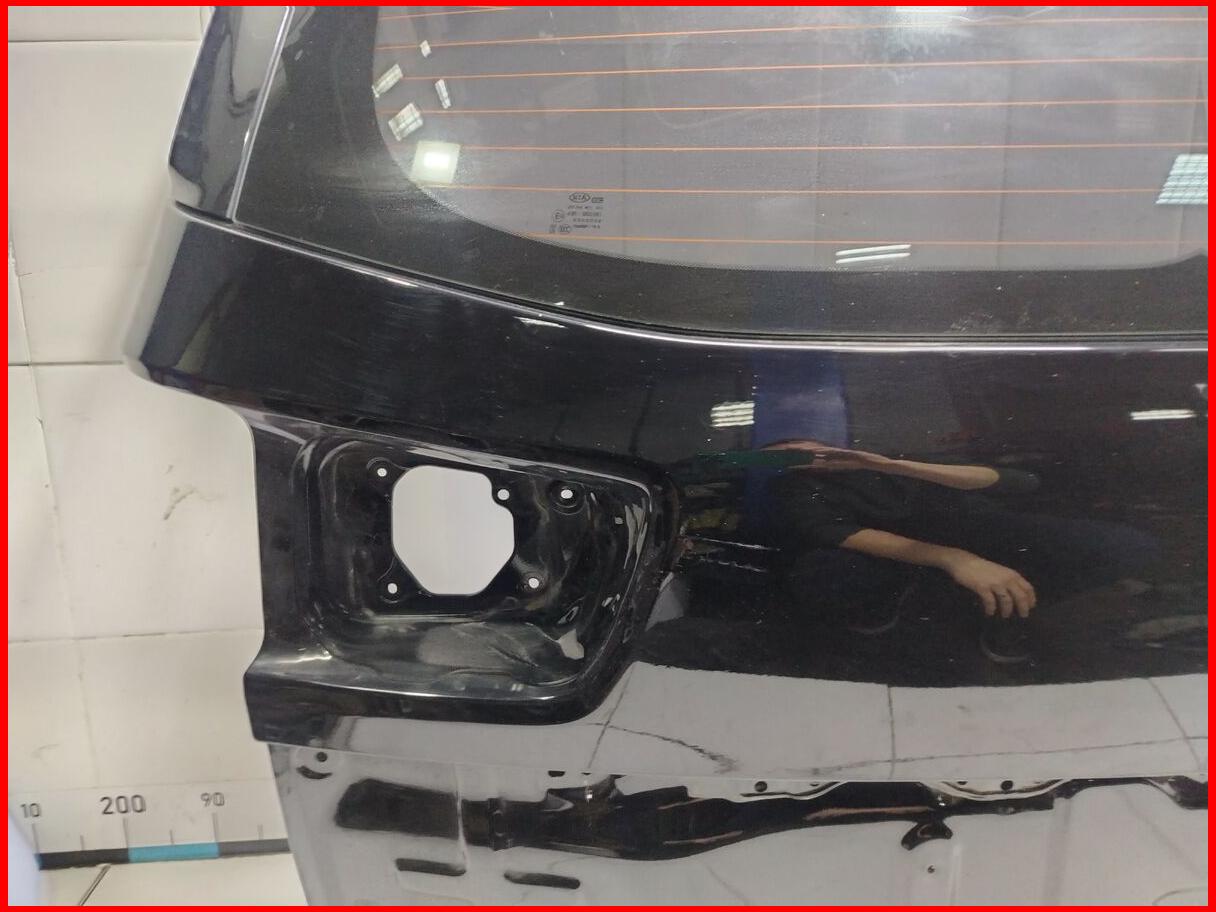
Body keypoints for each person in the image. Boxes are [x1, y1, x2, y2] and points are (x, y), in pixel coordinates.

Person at [763, 439, 1161, 662]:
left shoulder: (893, 457)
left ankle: (1014, 608)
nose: (807, 458)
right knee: (822, 568)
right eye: (788, 456)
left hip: (978, 529)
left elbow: (1016, 481)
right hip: (893, 559)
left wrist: (886, 465)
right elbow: (833, 532)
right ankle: (881, 614)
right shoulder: (796, 489)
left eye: (808, 448)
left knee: (1129, 546)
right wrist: (955, 559)